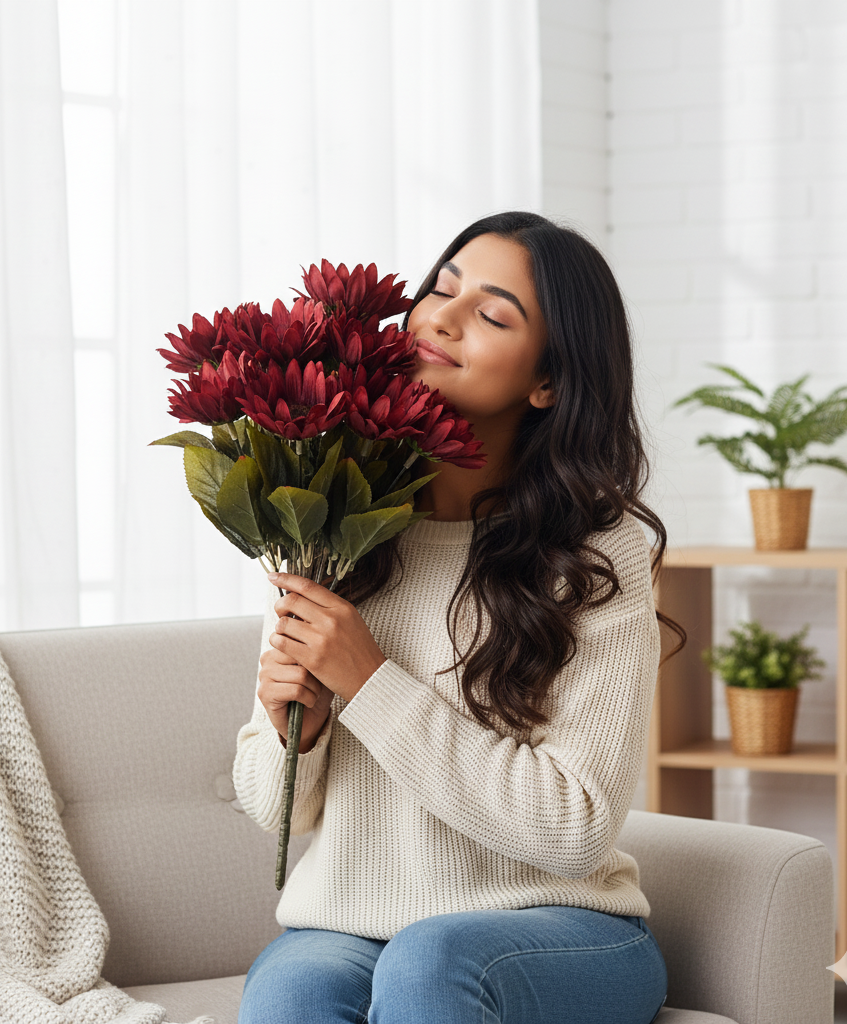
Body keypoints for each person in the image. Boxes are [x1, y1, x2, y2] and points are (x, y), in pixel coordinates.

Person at [233, 211, 676, 1024]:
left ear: (548, 382)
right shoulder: (326, 522)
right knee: (292, 989)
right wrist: (297, 726)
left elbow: (575, 828)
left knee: (432, 962)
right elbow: (275, 806)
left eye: (492, 313)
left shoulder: (595, 555)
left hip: (557, 927)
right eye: (441, 290)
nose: (441, 316)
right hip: (349, 925)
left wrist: (369, 681)